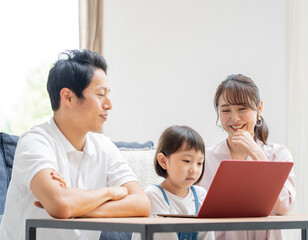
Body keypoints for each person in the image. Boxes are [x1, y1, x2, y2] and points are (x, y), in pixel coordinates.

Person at [0, 49, 150, 240]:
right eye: (100, 95)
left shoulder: (104, 147)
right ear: (68, 97)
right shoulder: (35, 141)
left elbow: (141, 203)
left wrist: (76, 206)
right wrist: (110, 192)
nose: (109, 104)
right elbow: (61, 203)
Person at [199, 74, 295, 240]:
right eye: (226, 110)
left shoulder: (278, 154)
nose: (234, 118)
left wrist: (257, 154)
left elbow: (284, 206)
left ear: (259, 108)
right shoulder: (205, 158)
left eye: (242, 109)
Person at [132, 126, 215, 240]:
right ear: (163, 161)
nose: (194, 170)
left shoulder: (201, 195)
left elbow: (208, 236)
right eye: (187, 161)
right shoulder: (154, 195)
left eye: (199, 163)